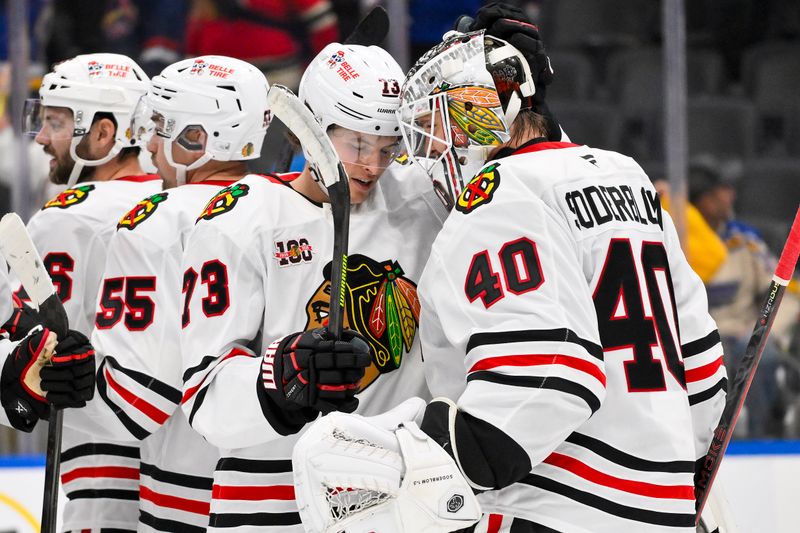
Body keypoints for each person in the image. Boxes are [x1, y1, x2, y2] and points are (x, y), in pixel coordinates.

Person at [299, 22, 728, 533]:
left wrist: (417, 459)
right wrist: (674, 475)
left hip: (553, 509)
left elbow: (548, 374)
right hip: (665, 507)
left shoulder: (496, 195)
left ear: (483, 112)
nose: (438, 150)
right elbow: (702, 377)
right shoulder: (624, 174)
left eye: (444, 124)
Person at [179, 41, 446, 530]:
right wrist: (283, 374)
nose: (373, 165)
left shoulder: (424, 199)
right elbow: (205, 398)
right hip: (266, 500)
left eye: (388, 148)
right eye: (359, 145)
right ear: (312, 129)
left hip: (396, 497)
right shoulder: (240, 219)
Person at [60, 55, 272, 530]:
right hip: (288, 499)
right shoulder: (290, 207)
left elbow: (134, 403)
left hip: (186, 498)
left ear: (198, 138)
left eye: (161, 127)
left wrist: (32, 385)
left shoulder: (157, 220)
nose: (151, 145)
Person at [20, 53, 162, 533]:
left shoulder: (67, 217)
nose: (42, 137)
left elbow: (20, 347)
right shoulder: (182, 203)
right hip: (188, 469)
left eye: (56, 123)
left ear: (103, 134)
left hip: (102, 466)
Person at [690, 155, 800, 438]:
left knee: (762, 357)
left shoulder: (744, 239)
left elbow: (785, 293)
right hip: (694, 340)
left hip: (743, 335)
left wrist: (764, 332)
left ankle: (762, 440)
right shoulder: (675, 239)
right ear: (703, 198)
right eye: (722, 190)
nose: (731, 196)